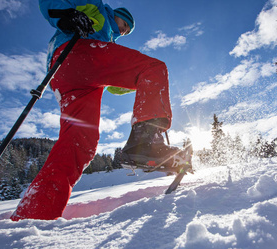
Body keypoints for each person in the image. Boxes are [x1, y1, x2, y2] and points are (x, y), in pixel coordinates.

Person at [11, 0, 183, 221]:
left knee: (80, 143)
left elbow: (113, 86)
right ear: (117, 15)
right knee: (154, 68)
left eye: (127, 31)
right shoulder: (98, 8)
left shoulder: (108, 39)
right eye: (125, 24)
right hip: (77, 53)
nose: (124, 31)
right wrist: (65, 16)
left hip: (71, 80)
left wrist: (143, 86)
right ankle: (145, 141)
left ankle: (33, 215)